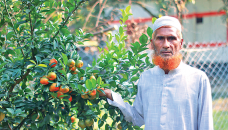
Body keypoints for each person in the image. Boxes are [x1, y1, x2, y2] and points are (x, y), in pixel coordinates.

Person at [100, 16, 214, 130]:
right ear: (152, 44)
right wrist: (111, 95)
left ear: (181, 43)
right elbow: (137, 118)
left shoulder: (198, 79)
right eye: (160, 38)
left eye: (172, 38)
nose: (166, 45)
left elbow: (206, 125)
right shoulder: (146, 78)